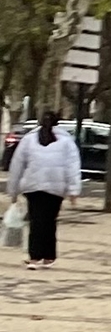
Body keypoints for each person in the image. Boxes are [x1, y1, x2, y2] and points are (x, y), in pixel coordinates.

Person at [7, 112, 84, 265]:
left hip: (33, 185)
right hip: (57, 187)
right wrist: (73, 191)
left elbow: (17, 166)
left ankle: (34, 255)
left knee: (36, 221)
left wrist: (13, 190)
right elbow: (73, 167)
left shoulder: (28, 140)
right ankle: (49, 255)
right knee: (49, 220)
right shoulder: (67, 142)